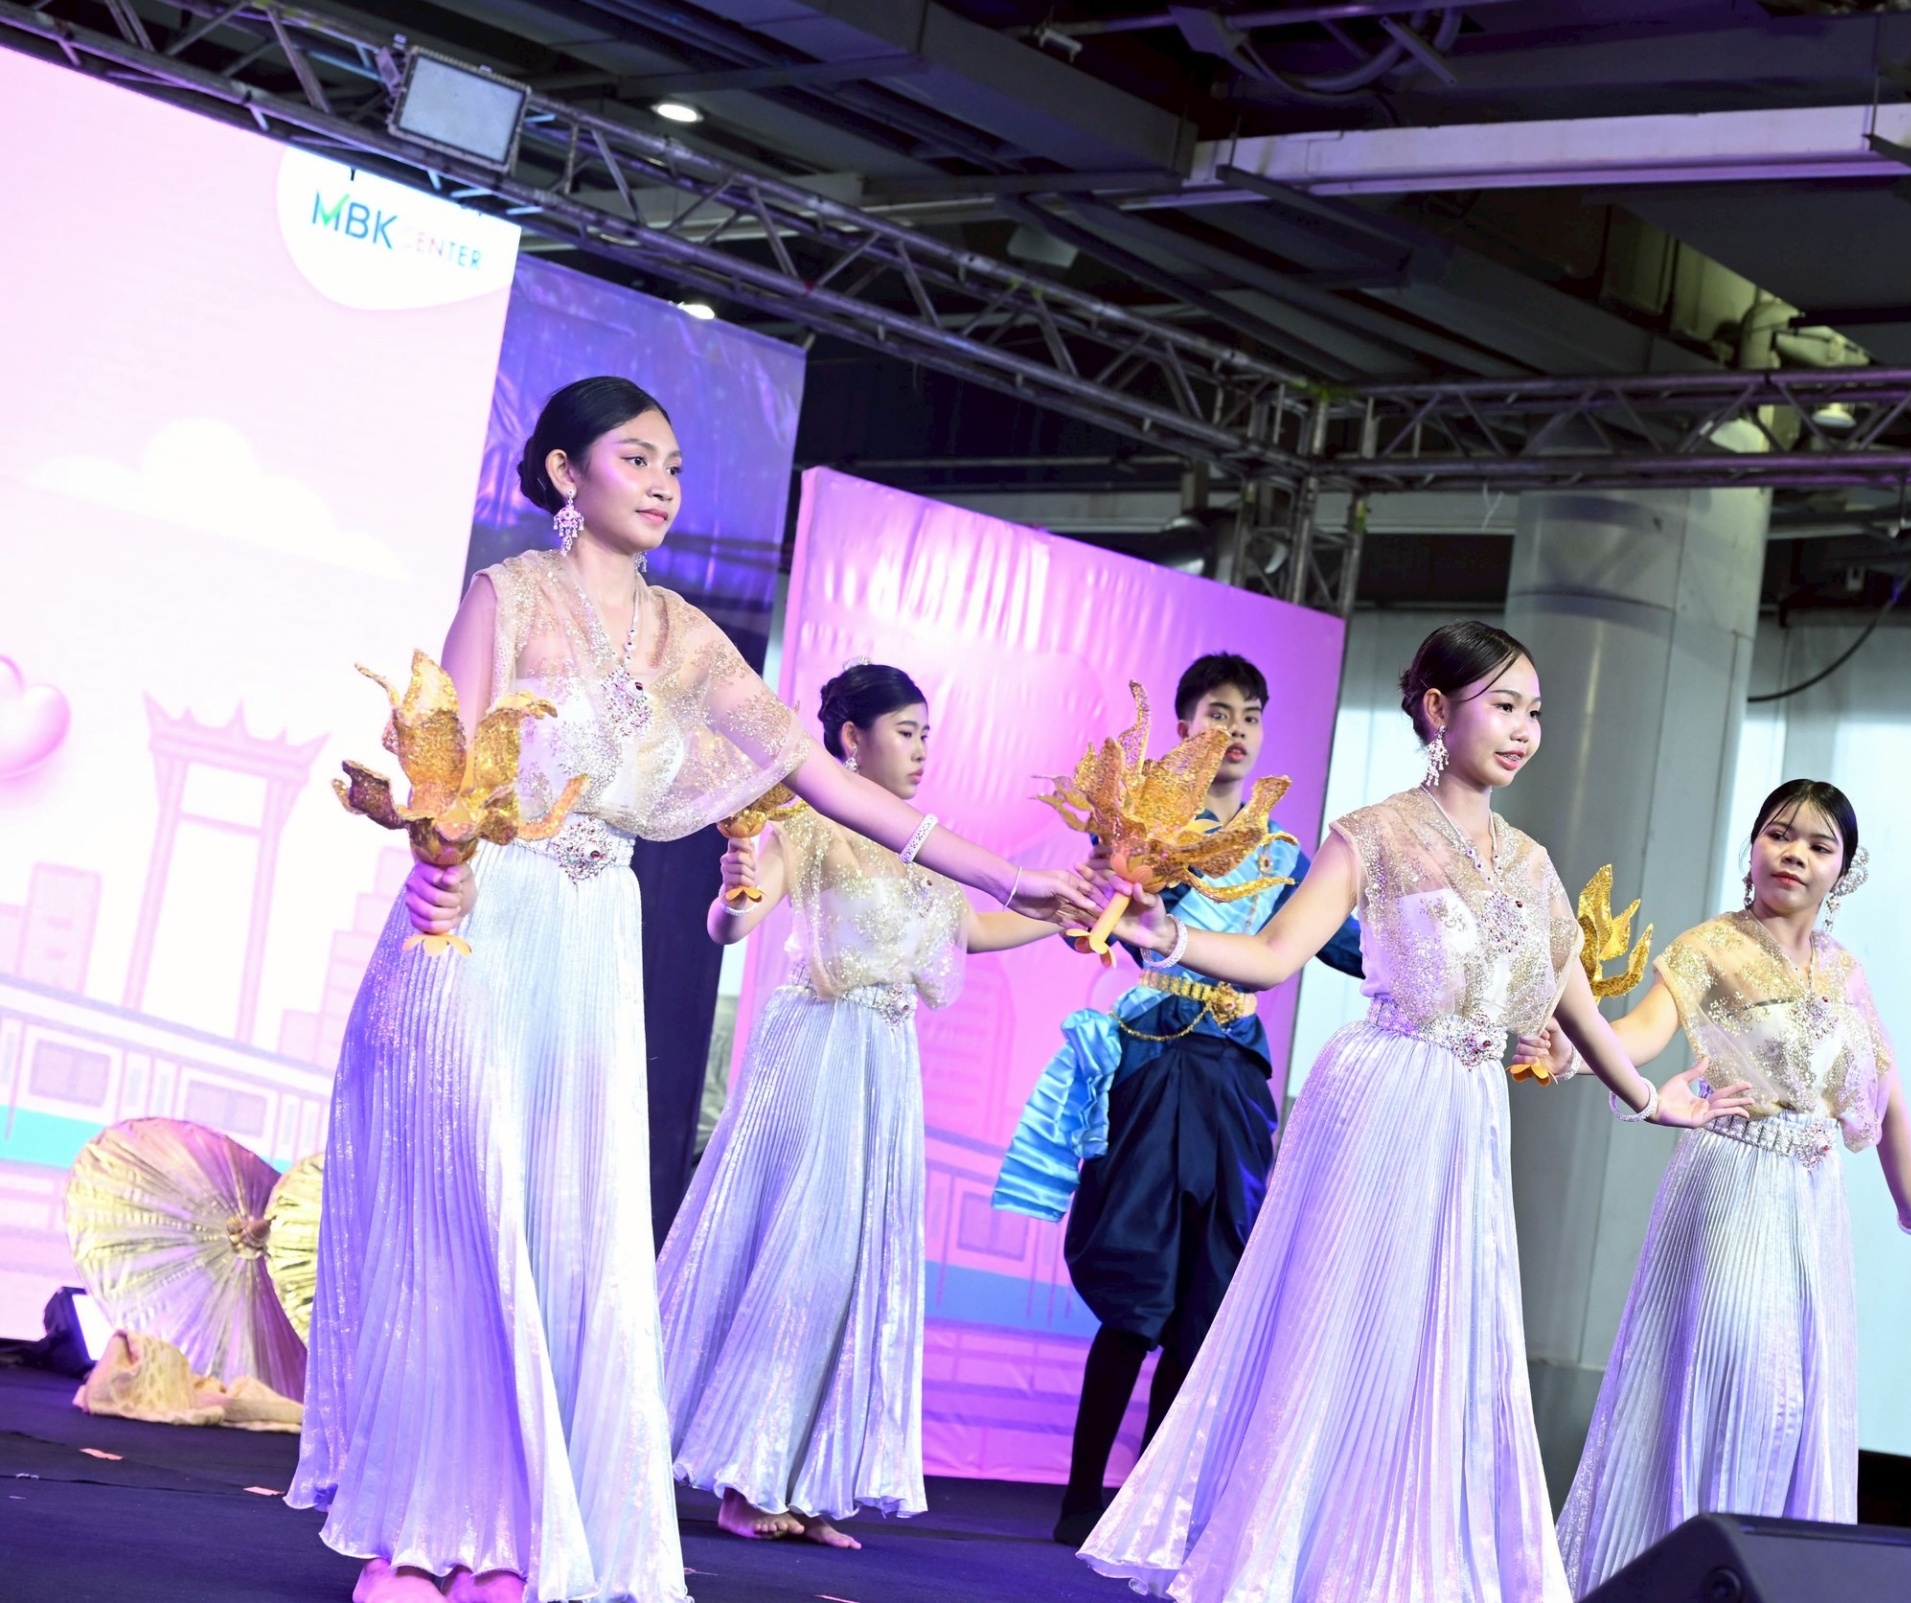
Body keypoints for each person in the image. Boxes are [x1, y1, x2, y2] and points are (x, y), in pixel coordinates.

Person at [289, 377, 1095, 1603]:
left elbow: (825, 780)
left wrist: (1012, 875)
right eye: (636, 458)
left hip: (593, 933)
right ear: (565, 473)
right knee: (467, 1215)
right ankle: (425, 1531)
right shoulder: (509, 595)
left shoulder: (685, 637)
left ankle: (525, 1531)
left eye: (673, 464)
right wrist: (437, 870)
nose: (663, 483)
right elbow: (445, 761)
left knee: (570, 1231)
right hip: (488, 919)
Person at [1077, 621, 1753, 1603]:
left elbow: (1578, 1009)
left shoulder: (1532, 863)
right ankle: (1284, 1555)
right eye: (1503, 705)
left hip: (1469, 1115)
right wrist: (1166, 934)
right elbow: (1272, 956)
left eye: (1534, 712)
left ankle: (1388, 1563)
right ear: (1439, 709)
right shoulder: (1374, 832)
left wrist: (1651, 1099)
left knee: (1440, 1337)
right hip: (1378, 1096)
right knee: (1341, 1323)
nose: (1523, 730)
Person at [657, 662, 1067, 1549]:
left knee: (850, 1268)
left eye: (926, 734)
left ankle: (800, 1480)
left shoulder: (922, 844)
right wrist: (733, 885)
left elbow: (975, 929)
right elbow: (731, 924)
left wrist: (1072, 906)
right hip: (817, 1049)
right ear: (852, 736)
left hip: (884, 1060)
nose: (921, 749)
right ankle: (745, 1478)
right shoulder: (804, 822)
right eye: (906, 731)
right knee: (799, 1253)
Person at [1549, 779, 1911, 1592]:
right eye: (1779, 834)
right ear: (1751, 848)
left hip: (1812, 1208)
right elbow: (1639, 1034)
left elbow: (1886, 1095)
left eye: (1818, 844)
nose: (1794, 854)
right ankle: (1684, 1575)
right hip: (1730, 1183)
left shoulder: (1845, 972)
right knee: (1727, 1382)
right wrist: (1574, 1047)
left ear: (1843, 870)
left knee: (1793, 1406)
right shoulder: (1709, 946)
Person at [993, 654, 1365, 1547]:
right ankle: (1081, 1495)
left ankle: (1149, 1503)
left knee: (1207, 1294)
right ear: (1184, 724)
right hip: (1155, 1062)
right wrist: (1122, 884)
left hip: (1233, 1079)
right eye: (1217, 713)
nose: (1235, 731)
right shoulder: (1148, 828)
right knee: (1140, 1288)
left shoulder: (1283, 853)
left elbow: (1349, 947)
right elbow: (1099, 924)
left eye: (1251, 716)